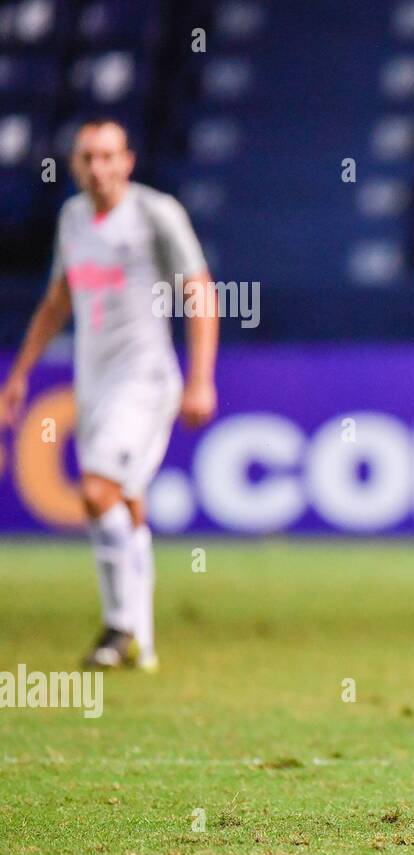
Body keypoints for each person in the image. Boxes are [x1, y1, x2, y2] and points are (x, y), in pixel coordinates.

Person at [0, 118, 218, 672]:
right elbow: (58, 299)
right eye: (86, 158)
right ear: (75, 166)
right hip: (94, 382)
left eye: (107, 156)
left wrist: (201, 377)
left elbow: (200, 291)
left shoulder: (155, 213)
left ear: (128, 161)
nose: (97, 168)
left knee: (96, 492)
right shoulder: (73, 218)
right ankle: (141, 639)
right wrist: (21, 372)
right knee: (126, 502)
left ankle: (119, 629)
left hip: (143, 380)